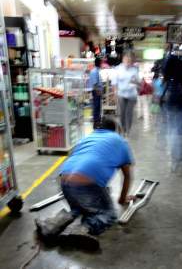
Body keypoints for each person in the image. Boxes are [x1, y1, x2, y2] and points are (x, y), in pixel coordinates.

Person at [35, 116, 135, 250]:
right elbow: (127, 175)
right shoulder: (120, 141)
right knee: (108, 215)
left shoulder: (88, 138)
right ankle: (81, 229)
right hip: (86, 183)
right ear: (115, 130)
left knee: (82, 208)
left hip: (64, 181)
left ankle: (52, 225)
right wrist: (122, 200)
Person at [161, 53, 182, 170]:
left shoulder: (167, 77)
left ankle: (174, 159)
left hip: (170, 107)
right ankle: (180, 156)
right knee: (180, 132)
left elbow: (163, 94)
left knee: (172, 132)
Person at [112, 52, 140, 136]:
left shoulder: (134, 69)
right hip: (121, 94)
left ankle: (128, 130)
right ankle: (123, 129)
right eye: (126, 60)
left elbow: (137, 81)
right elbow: (114, 83)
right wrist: (114, 94)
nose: (128, 63)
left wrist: (135, 83)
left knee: (129, 113)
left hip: (132, 95)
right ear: (123, 60)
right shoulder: (117, 69)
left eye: (130, 61)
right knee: (122, 113)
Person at [89, 57, 103, 128]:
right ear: (99, 63)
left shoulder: (96, 71)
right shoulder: (94, 71)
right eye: (101, 62)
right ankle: (96, 122)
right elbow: (95, 83)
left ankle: (98, 121)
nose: (102, 64)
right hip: (96, 91)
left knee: (97, 106)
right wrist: (98, 91)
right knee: (96, 106)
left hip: (97, 91)